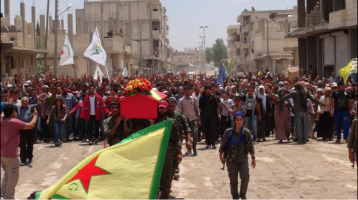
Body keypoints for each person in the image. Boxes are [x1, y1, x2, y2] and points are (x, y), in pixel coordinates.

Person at [1, 104, 38, 199]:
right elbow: (30, 126)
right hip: (11, 155)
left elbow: (2, 114)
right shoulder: (14, 122)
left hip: (2, 154)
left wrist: (9, 102)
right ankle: (8, 197)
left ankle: (3, 192)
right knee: (13, 177)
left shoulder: (1, 119)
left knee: (7, 174)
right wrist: (35, 116)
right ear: (13, 112)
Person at [155, 99, 190, 199]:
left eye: (163, 108)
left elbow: (177, 139)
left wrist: (179, 153)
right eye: (160, 108)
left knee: (167, 178)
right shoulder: (153, 121)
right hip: (155, 153)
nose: (161, 110)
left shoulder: (171, 122)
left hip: (169, 153)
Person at [219, 112, 256, 199]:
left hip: (243, 159)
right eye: (237, 120)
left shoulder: (247, 133)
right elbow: (222, 145)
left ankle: (243, 194)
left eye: (241, 120)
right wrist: (221, 156)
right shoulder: (228, 132)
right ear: (234, 121)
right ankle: (235, 196)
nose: (239, 122)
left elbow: (251, 147)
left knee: (245, 177)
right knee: (233, 180)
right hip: (231, 160)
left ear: (243, 121)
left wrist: (253, 158)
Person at [16, 97, 41, 166]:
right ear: (21, 102)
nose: (24, 102)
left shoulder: (31, 107)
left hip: (30, 129)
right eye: (23, 101)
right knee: (23, 145)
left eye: (26, 101)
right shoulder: (17, 108)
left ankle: (30, 157)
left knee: (30, 144)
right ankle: (23, 160)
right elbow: (10, 104)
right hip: (22, 129)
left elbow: (39, 105)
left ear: (28, 102)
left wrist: (40, 99)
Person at [178, 86, 200, 155]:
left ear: (190, 91)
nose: (187, 92)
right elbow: (180, 111)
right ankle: (189, 150)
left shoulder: (194, 99)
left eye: (188, 90)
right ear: (184, 91)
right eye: (186, 90)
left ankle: (194, 148)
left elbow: (197, 109)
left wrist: (198, 119)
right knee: (187, 136)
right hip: (185, 120)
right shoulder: (181, 100)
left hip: (193, 119)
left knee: (195, 133)